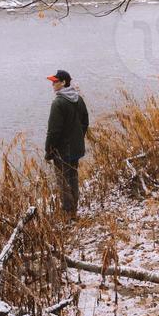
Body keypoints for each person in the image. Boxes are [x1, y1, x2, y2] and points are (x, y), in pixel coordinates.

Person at [45, 69, 89, 216]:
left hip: (62, 151)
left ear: (64, 82)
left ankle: (68, 214)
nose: (52, 85)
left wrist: (48, 151)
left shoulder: (58, 103)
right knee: (73, 177)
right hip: (76, 149)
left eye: (55, 82)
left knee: (63, 181)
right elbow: (85, 122)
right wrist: (78, 138)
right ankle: (74, 209)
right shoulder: (78, 99)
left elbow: (53, 131)